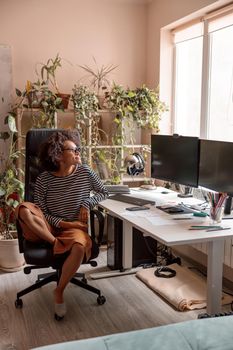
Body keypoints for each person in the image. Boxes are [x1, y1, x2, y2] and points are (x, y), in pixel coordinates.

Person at [15, 130, 108, 318]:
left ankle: (59, 291)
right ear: (58, 154)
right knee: (23, 209)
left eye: (78, 149)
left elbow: (103, 192)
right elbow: (42, 212)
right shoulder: (44, 179)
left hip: (75, 227)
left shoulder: (85, 172)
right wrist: (65, 225)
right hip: (49, 228)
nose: (78, 152)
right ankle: (54, 243)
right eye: (73, 149)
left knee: (79, 248)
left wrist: (86, 203)